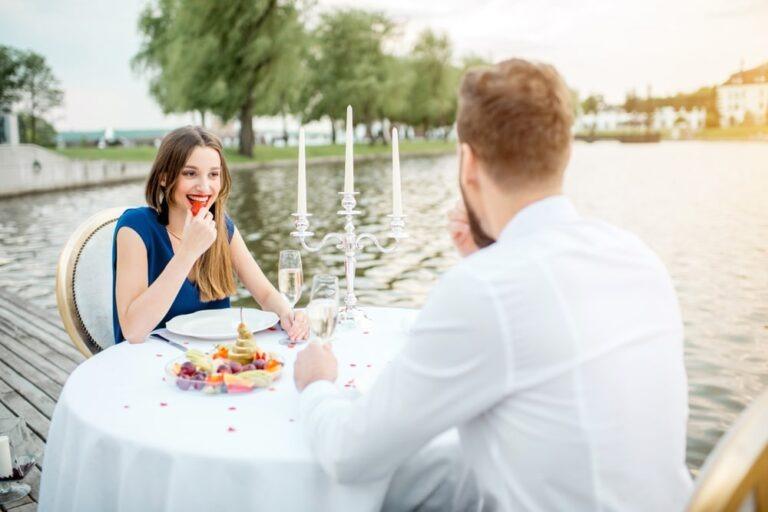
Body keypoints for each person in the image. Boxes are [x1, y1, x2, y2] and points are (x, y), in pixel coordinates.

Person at [293, 59, 693, 510]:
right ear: (565, 152)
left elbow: (350, 455)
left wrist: (317, 387)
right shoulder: (637, 257)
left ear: (468, 163)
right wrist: (491, 258)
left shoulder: (486, 289)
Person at [112, 126, 308, 344]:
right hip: (144, 363)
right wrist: (188, 252)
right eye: (190, 173)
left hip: (212, 362)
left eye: (213, 174)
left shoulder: (222, 227)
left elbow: (266, 295)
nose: (204, 187)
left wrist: (288, 314)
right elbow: (133, 331)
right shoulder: (135, 228)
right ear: (165, 178)